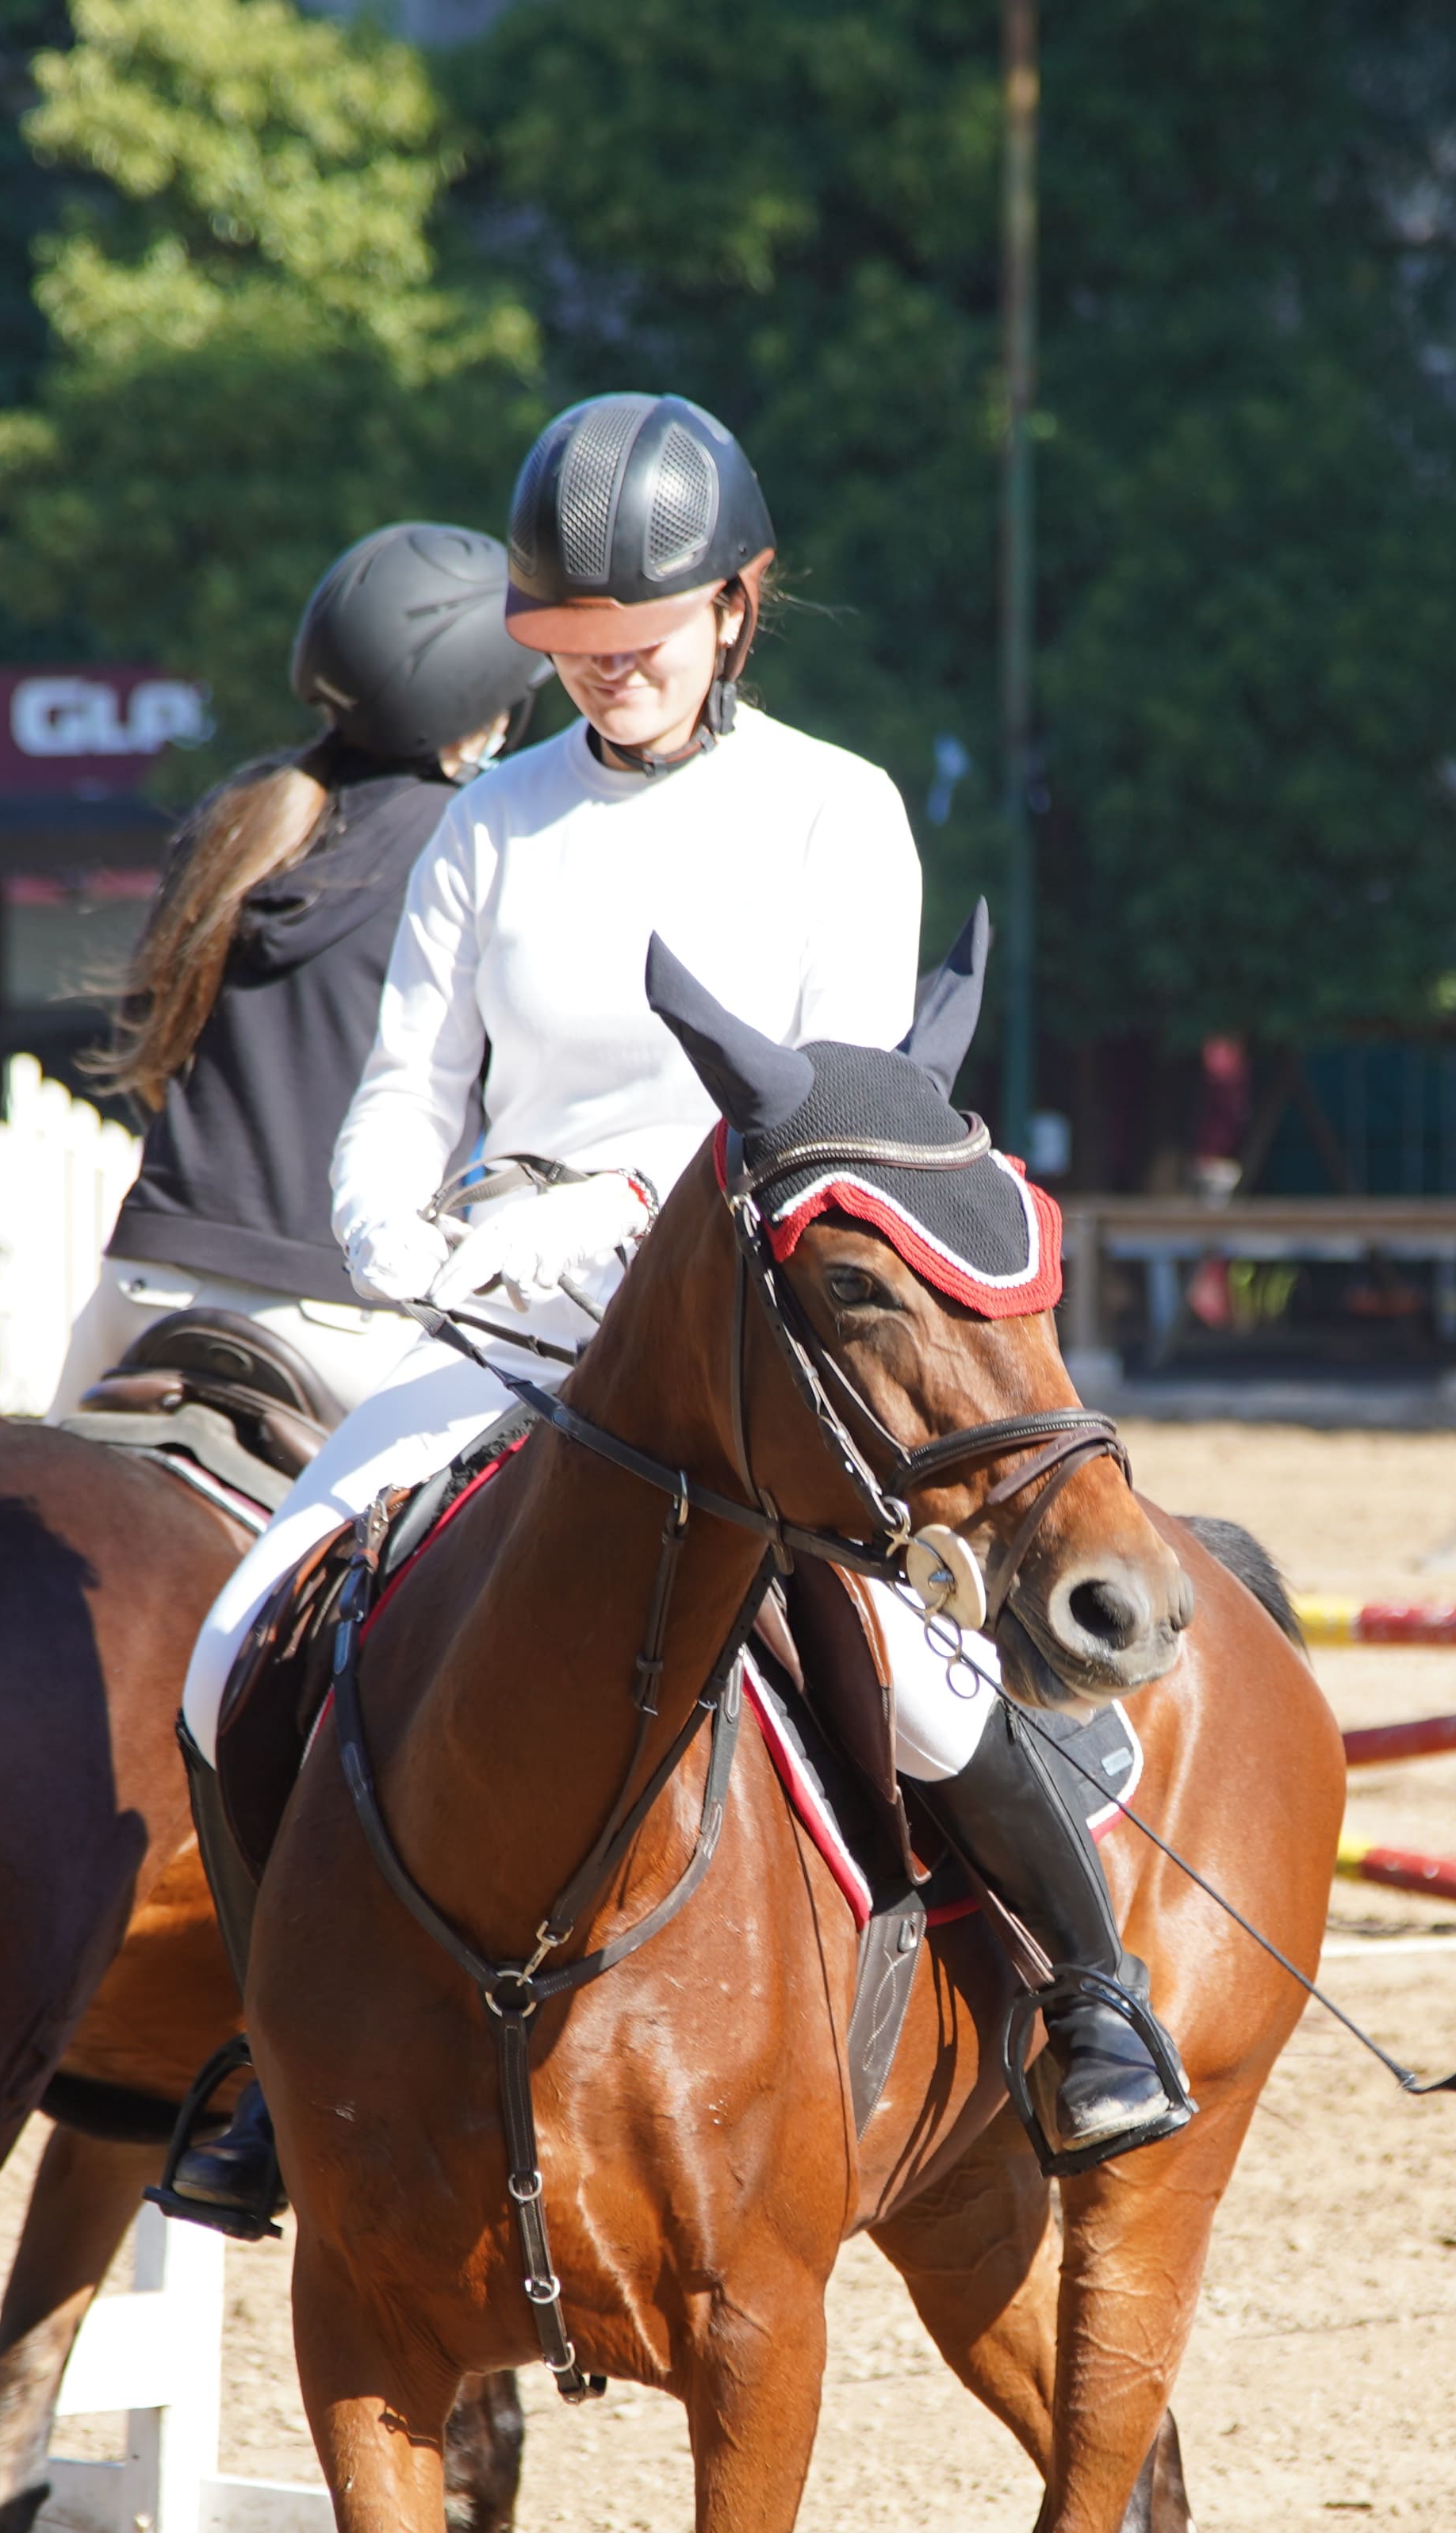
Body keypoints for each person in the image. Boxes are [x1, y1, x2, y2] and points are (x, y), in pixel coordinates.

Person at [163, 390, 1188, 2235]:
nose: (602, 678)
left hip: (758, 1319)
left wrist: (633, 1237)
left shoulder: (832, 812)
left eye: (636, 644)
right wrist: (386, 1228)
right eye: (568, 648)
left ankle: (1089, 1995)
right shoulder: (492, 820)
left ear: (737, 607)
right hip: (495, 1314)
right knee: (238, 1631)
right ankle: (273, 2041)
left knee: (906, 1668)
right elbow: (407, 1080)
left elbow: (830, 1108)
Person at [49, 520, 550, 1413]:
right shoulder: (475, 838)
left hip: (138, 1292)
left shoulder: (239, 814)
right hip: (348, 1319)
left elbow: (153, 1060)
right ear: (487, 709)